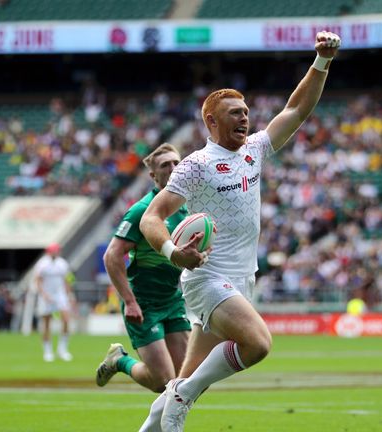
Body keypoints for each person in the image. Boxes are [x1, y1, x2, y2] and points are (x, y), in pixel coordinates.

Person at [137, 31, 341, 432]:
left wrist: (321, 62)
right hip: (207, 277)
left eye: (246, 111)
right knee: (258, 344)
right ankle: (185, 394)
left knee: (183, 379)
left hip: (241, 280)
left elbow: (297, 110)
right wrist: (172, 253)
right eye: (234, 113)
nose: (244, 117)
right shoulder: (196, 164)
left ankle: (159, 416)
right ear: (211, 121)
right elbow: (152, 218)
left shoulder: (255, 149)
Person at [96, 144, 191, 392]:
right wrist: (129, 301)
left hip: (173, 299)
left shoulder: (188, 209)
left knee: (184, 382)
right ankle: (120, 361)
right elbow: (112, 256)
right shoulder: (142, 210)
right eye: (165, 165)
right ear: (153, 176)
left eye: (176, 163)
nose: (173, 168)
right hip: (143, 303)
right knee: (162, 382)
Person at [34, 242, 74, 362]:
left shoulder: (62, 263)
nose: (57, 252)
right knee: (46, 323)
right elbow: (38, 280)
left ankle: (62, 350)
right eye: (55, 250)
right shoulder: (42, 264)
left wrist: (68, 294)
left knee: (66, 320)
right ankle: (48, 351)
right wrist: (44, 294)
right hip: (46, 295)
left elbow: (67, 280)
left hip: (60, 295)